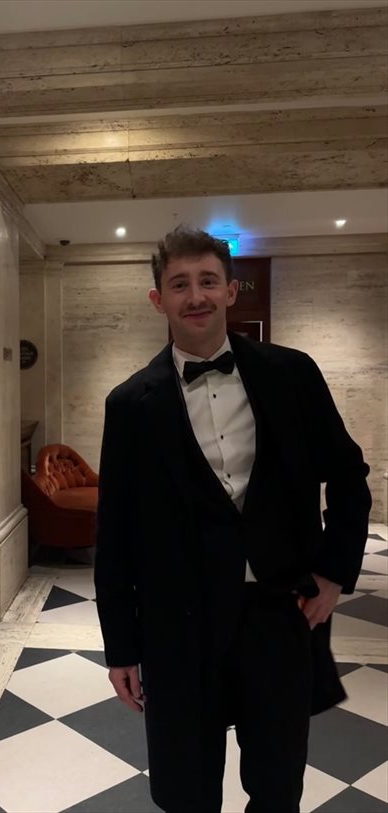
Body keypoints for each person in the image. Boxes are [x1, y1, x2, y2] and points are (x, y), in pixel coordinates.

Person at [94, 225, 372, 813]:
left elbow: (349, 476)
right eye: (179, 284)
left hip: (278, 614)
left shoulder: (292, 374)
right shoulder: (129, 405)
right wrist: (120, 648)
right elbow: (115, 536)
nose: (195, 296)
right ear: (158, 299)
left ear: (230, 291)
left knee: (277, 786)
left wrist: (332, 574)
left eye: (207, 281)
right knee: (184, 791)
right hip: (178, 627)